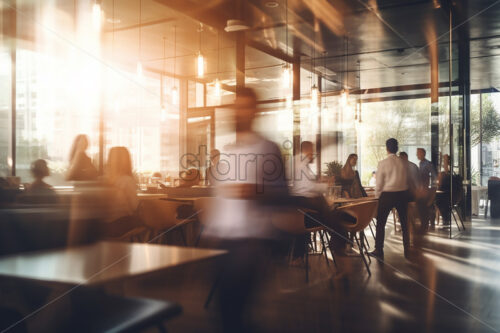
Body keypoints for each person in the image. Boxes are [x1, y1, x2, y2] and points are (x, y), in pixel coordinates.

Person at [202, 88, 288, 332]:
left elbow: (283, 193)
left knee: (234, 307)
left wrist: (256, 191)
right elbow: (220, 197)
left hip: (251, 242)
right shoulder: (226, 151)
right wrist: (210, 229)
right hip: (221, 241)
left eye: (245, 107)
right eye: (236, 106)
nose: (239, 112)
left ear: (255, 111)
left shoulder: (268, 149)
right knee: (224, 311)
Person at [291, 141, 353, 255]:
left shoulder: (298, 162)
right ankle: (340, 247)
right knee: (335, 217)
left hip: (301, 205)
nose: (313, 155)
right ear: (308, 151)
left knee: (333, 216)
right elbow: (308, 187)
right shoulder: (300, 164)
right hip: (305, 203)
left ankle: (339, 244)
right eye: (312, 152)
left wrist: (321, 181)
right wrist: (326, 185)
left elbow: (307, 183)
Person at [369, 138, 410, 259]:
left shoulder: (383, 163)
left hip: (387, 195)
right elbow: (406, 179)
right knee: (404, 223)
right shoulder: (403, 162)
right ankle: (407, 249)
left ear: (387, 148)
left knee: (381, 223)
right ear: (396, 148)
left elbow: (379, 184)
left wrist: (377, 198)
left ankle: (378, 249)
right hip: (402, 194)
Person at [101, 146, 140, 237]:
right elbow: (134, 207)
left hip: (104, 225)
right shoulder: (127, 180)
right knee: (155, 225)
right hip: (121, 224)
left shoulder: (103, 179)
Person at [416, 148, 437, 231]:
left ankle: (431, 223)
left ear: (423, 154)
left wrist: (432, 188)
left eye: (418, 153)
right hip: (422, 189)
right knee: (424, 206)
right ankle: (425, 224)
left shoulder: (428, 164)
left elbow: (434, 176)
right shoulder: (420, 163)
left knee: (429, 205)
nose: (417, 155)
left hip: (427, 189)